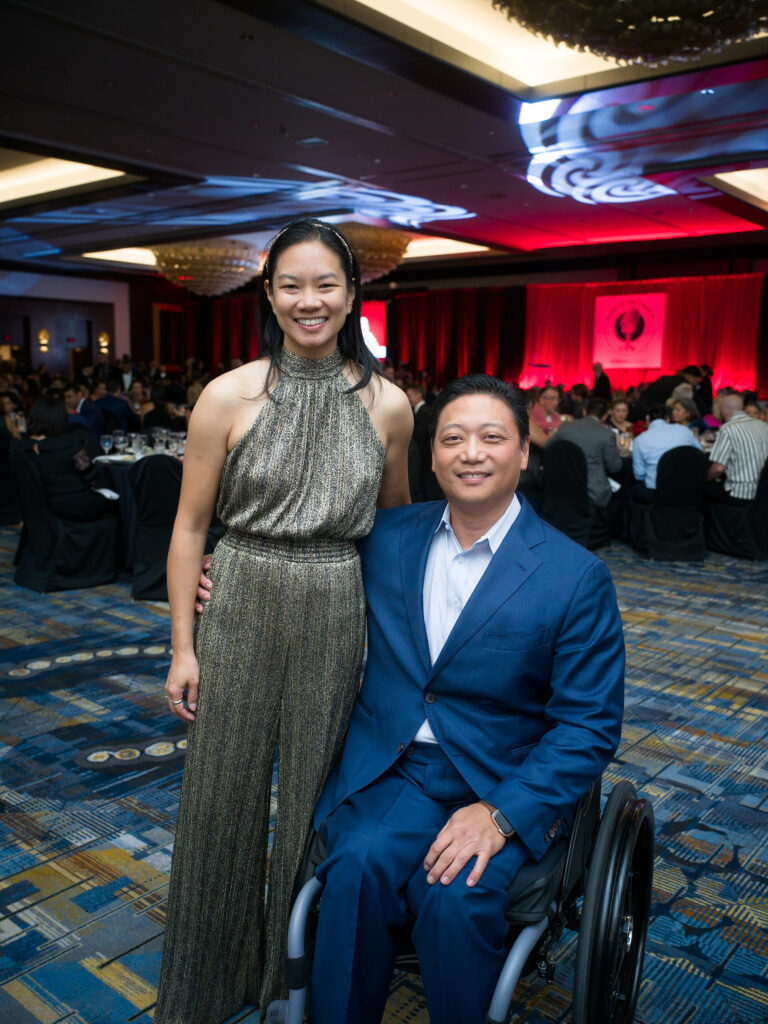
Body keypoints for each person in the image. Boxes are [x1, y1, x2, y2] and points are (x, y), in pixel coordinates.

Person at [302, 375, 625, 1024]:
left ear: (525, 452)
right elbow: (302, 567)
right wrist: (219, 572)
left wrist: (502, 813)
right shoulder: (387, 539)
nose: (471, 453)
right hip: (400, 769)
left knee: (454, 897)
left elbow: (588, 726)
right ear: (432, 456)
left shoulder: (575, 576)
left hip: (505, 775)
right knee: (355, 870)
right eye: (453, 438)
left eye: (492, 437)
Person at [154, 219, 412, 1024]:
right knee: (220, 795)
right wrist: (182, 648)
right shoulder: (227, 395)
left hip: (338, 603)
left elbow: (396, 530)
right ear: (267, 294)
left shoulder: (389, 404)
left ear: (350, 295)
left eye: (325, 284)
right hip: (240, 592)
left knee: (313, 799)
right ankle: (204, 984)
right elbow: (191, 528)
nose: (310, 300)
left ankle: (286, 979)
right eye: (291, 285)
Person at [555, 397, 622, 509]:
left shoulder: (565, 427)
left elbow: (548, 447)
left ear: (584, 412)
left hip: (562, 486)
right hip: (593, 492)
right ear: (605, 416)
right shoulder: (607, 434)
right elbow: (615, 467)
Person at [706, 392, 768, 504]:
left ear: (723, 411)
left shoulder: (727, 429)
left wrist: (705, 478)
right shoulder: (763, 426)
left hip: (738, 493)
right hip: (762, 492)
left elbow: (718, 468)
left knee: (701, 489)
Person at [631, 403, 702, 502]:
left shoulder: (640, 440)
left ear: (647, 421)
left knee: (631, 490)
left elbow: (639, 475)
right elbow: (698, 453)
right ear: (667, 419)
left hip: (656, 492)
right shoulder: (684, 431)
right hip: (687, 487)